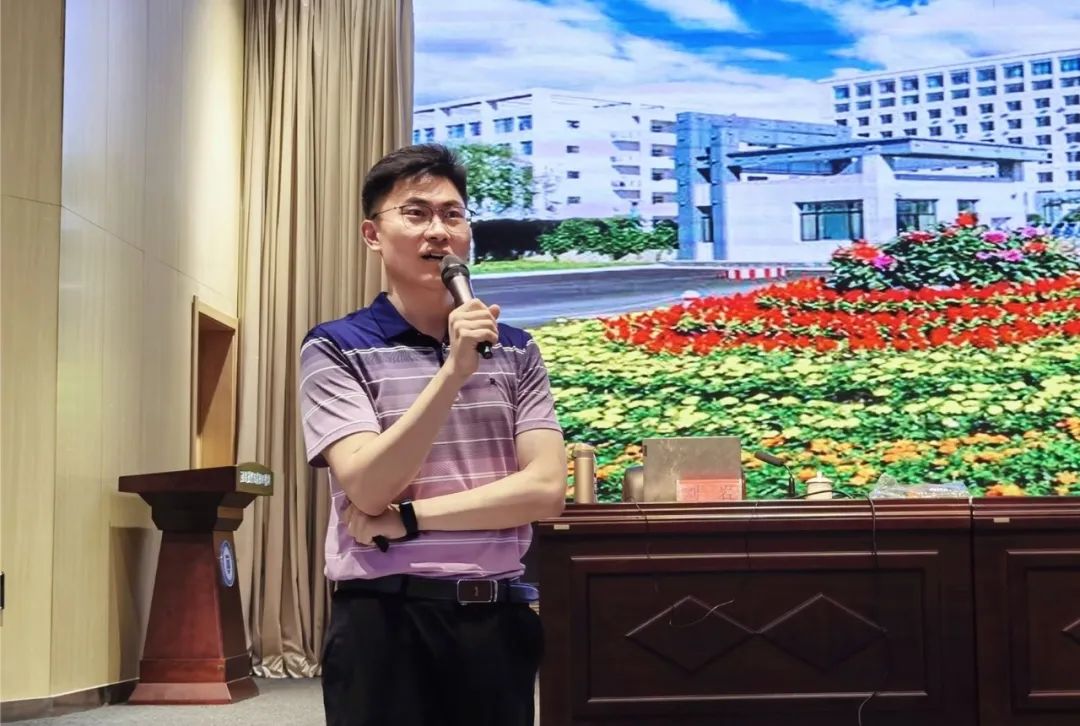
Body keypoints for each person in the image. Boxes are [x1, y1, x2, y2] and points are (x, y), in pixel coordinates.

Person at [299, 143, 566, 726]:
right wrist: (452, 373)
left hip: (496, 618)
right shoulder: (335, 347)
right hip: (385, 622)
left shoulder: (517, 349)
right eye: (416, 214)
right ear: (373, 234)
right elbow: (368, 487)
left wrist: (409, 519)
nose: (439, 231)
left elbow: (545, 490)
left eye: (453, 214)